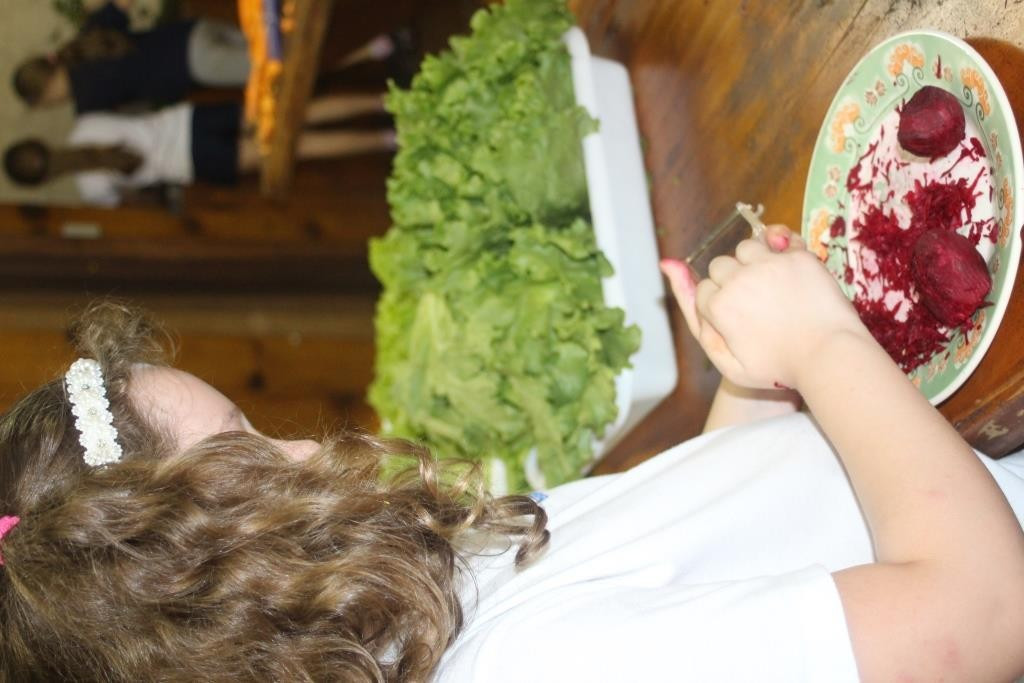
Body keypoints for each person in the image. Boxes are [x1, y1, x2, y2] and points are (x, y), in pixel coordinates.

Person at [1, 227, 1023, 681]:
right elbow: (985, 617)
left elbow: (696, 556)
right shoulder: (532, 666)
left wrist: (752, 382)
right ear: (213, 601)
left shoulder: (403, 604)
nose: (304, 441)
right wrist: (823, 346)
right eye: (249, 453)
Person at [2, 95, 396, 206]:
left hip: (193, 161)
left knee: (301, 147)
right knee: (295, 113)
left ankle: (389, 139)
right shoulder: (86, 125)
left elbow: (141, 199)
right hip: (189, 121)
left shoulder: (91, 189)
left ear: (45, 180)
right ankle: (385, 100)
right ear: (39, 143)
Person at [12, 0, 399, 114]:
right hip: (193, 32)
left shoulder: (88, 103)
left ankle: (374, 46)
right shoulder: (84, 40)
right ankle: (370, 29)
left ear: (45, 94)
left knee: (291, 67)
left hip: (200, 65)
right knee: (285, 37)